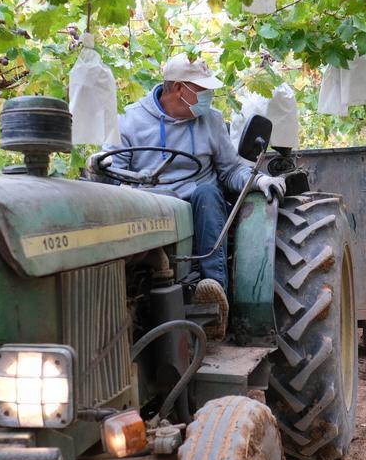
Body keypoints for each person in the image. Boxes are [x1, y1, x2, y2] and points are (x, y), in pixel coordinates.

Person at [89, 54, 285, 339]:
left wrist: (259, 179)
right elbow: (113, 171)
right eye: (203, 89)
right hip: (148, 205)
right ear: (181, 89)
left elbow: (230, 170)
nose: (208, 96)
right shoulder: (129, 120)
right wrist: (102, 171)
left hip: (199, 205)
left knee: (208, 192)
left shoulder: (211, 120)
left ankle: (214, 297)